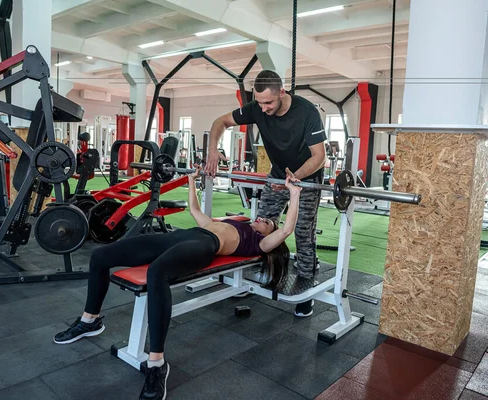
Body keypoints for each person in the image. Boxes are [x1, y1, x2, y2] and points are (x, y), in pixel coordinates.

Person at [52, 166, 301, 400]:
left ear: (270, 236)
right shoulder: (232, 223)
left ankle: (156, 363)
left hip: (203, 246)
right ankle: (90, 320)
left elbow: (287, 230)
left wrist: (294, 193)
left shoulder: (259, 244)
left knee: (157, 273)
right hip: (178, 237)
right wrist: (191, 181)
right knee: (100, 257)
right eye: (263, 218)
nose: (261, 219)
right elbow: (196, 212)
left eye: (268, 223)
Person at [205, 69, 327, 317]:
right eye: (259, 103)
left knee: (303, 232)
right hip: (277, 175)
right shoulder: (257, 107)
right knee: (259, 226)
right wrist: (212, 150)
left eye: (268, 102)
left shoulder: (307, 112)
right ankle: (262, 272)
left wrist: (296, 178)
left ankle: (306, 288)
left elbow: (320, 157)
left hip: (306, 179)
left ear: (282, 92)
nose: (263, 108)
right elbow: (220, 122)